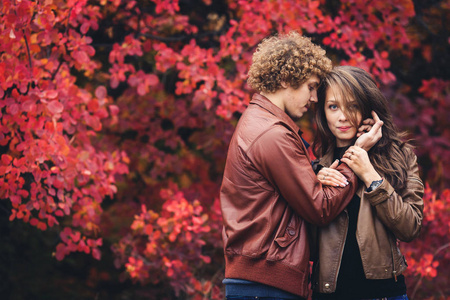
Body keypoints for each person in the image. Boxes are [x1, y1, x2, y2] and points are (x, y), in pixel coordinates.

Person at [220, 32, 383, 300]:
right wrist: (357, 154)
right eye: (310, 86)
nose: (314, 98)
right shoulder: (271, 133)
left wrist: (318, 173)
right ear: (286, 79)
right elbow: (320, 207)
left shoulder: (262, 124)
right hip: (265, 282)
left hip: (260, 280)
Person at [311, 66, 424, 300]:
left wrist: (371, 175)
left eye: (352, 106)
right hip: (329, 294)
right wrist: (314, 188)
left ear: (368, 108)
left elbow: (410, 227)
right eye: (333, 106)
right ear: (323, 111)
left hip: (383, 294)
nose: (342, 116)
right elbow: (306, 243)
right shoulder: (315, 162)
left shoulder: (400, 155)